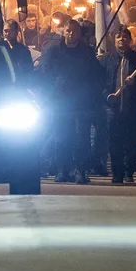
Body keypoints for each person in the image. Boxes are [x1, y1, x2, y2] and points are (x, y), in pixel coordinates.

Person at [38, 19, 103, 184]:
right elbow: (44, 72)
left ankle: (81, 170)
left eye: (74, 31)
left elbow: (95, 75)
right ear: (63, 31)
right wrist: (54, 89)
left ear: (79, 33)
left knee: (82, 138)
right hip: (60, 101)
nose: (70, 34)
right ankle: (62, 170)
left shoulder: (86, 52)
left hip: (81, 102)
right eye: (68, 30)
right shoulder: (53, 50)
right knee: (61, 137)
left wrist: (90, 93)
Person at [100, 27, 136, 183]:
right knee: (114, 141)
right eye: (118, 37)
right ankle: (117, 172)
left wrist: (135, 82)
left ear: (130, 40)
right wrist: (107, 95)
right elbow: (100, 83)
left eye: (124, 37)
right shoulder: (107, 60)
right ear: (114, 40)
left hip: (132, 108)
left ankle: (129, 171)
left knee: (131, 141)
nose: (121, 39)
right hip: (113, 109)